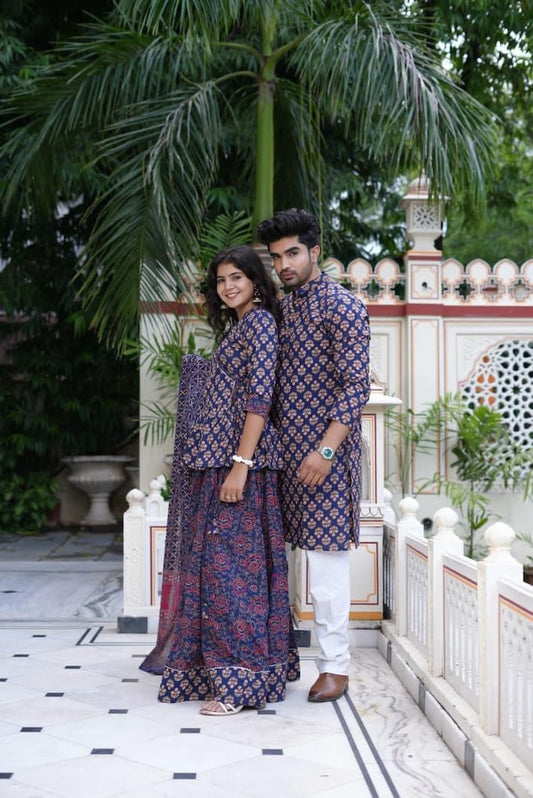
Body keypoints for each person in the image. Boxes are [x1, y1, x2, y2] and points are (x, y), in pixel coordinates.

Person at [140, 244, 300, 716]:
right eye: (220, 280)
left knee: (235, 575)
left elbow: (259, 403)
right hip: (221, 464)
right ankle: (231, 673)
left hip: (240, 469)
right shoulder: (241, 326)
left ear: (256, 280)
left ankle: (239, 685)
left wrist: (240, 466)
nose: (227, 287)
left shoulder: (261, 325)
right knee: (221, 571)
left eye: (237, 278)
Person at [257, 209, 371, 703]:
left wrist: (325, 449)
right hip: (279, 456)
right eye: (276, 256)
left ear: (314, 252)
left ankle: (335, 668)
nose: (284, 264)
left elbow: (355, 388)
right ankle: (273, 657)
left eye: (292, 253)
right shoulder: (279, 311)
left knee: (325, 565)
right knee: (272, 561)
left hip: (327, 456)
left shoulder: (343, 307)